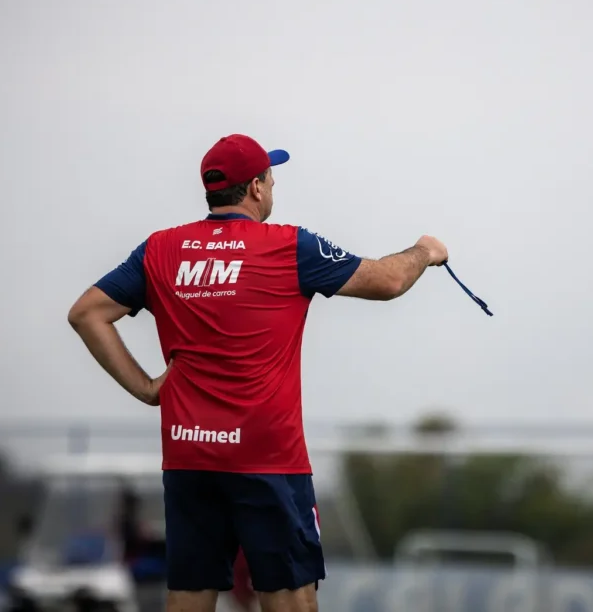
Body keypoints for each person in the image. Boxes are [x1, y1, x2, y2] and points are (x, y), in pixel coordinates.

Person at [67, 133, 448, 612]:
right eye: (270, 176)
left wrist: (146, 389)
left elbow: (86, 313)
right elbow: (388, 280)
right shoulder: (289, 245)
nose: (272, 185)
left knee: (187, 596)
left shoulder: (160, 249)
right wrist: (425, 251)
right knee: (289, 598)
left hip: (189, 455)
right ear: (255, 189)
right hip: (268, 459)